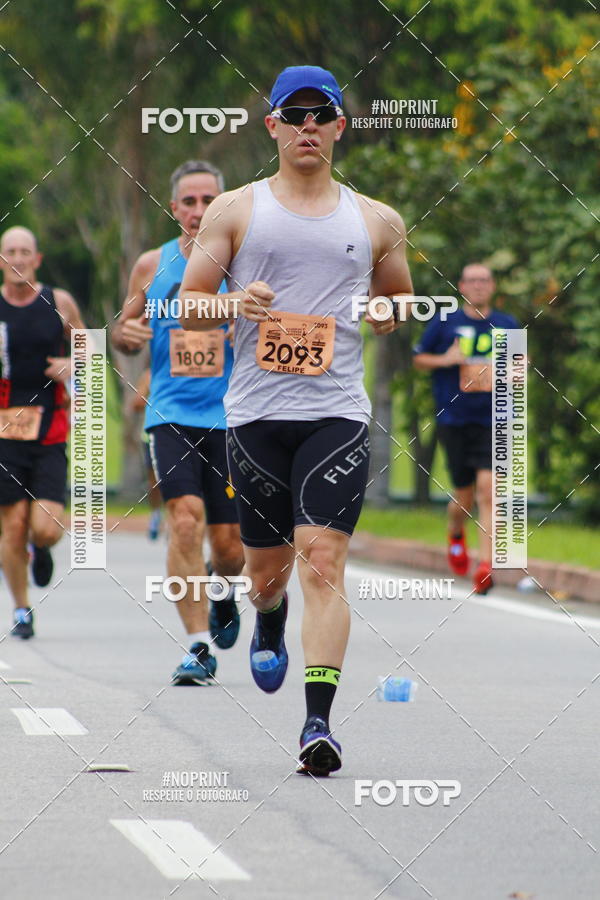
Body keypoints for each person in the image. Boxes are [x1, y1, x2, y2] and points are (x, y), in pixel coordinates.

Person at [179, 66, 412, 775]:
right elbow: (190, 305)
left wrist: (385, 312)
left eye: (322, 114)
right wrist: (234, 304)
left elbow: (399, 302)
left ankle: (318, 724)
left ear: (340, 126)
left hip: (336, 413)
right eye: (295, 114)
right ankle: (267, 616)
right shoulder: (237, 212)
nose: (308, 126)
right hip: (254, 417)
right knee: (267, 574)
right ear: (272, 125)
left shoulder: (376, 219)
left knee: (323, 560)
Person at [112, 160, 244, 685]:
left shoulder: (243, 264)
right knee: (184, 520)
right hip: (170, 413)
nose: (197, 211)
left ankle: (223, 588)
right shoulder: (152, 265)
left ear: (222, 205)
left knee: (232, 548)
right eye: (188, 202)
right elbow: (126, 326)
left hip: (234, 417)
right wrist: (124, 335)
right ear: (174, 209)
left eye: (208, 201)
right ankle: (196, 646)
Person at [413, 262, 519, 594]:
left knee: (490, 491)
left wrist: (517, 367)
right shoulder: (446, 322)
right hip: (454, 418)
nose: (478, 286)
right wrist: (446, 360)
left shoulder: (506, 324)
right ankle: (456, 532)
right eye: (472, 280)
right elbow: (419, 358)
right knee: (465, 494)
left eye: (484, 280)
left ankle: (485, 566)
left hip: (494, 418)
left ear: (493, 286)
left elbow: (518, 367)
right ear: (461, 286)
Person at [0, 225, 85, 639]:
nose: (17, 258)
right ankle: (21, 610)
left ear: (37, 259)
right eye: (10, 251)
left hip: (50, 430)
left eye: (25, 251)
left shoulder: (59, 302)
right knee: (11, 526)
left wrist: (74, 366)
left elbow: (91, 350)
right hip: (3, 436)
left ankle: (43, 549)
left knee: (46, 528)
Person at [131, 368, 163, 540]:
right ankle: (156, 514)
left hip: (182, 430)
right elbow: (136, 403)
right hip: (152, 435)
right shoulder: (149, 375)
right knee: (154, 482)